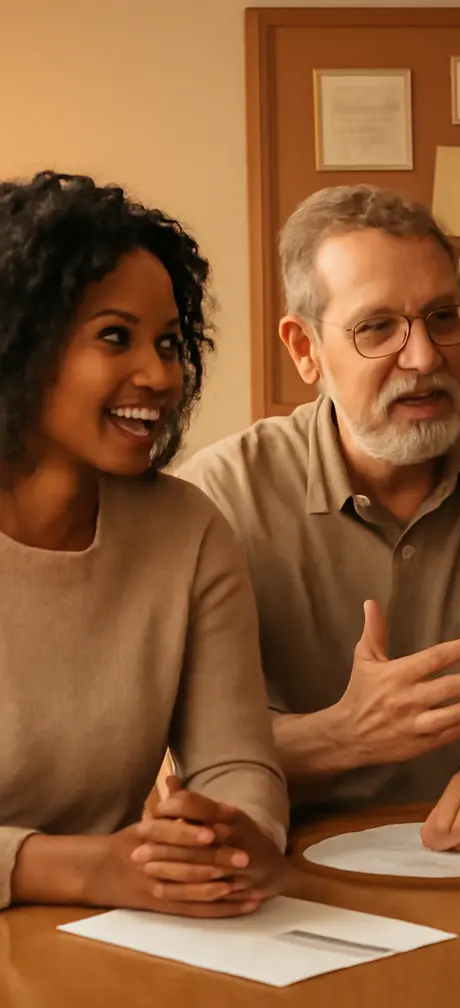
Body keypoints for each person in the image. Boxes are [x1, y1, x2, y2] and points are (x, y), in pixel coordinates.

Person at [177, 184, 460, 852]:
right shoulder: (220, 498)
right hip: (288, 865)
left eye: (444, 318)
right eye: (377, 328)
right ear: (304, 349)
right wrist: (343, 734)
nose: (423, 358)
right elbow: (182, 752)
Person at [0, 171, 289, 916]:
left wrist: (237, 836)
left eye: (168, 342)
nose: (159, 374)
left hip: (113, 943)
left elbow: (233, 758)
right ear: (20, 341)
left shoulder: (187, 531)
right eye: (114, 337)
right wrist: (84, 870)